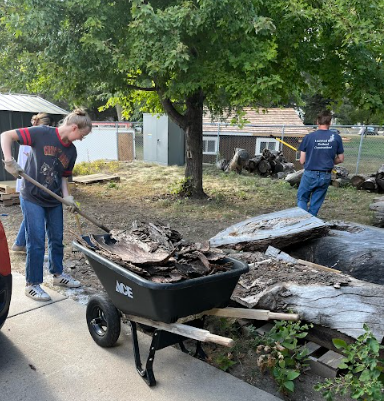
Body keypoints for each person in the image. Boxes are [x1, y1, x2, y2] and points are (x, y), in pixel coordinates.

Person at [1, 108, 92, 301]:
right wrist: (9, 161)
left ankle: (58, 275)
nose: (81, 139)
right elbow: (6, 135)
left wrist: (68, 198)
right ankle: (32, 284)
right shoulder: (42, 132)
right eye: (82, 135)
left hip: (53, 199)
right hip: (32, 196)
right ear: (74, 127)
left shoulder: (71, 151)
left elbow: (64, 178)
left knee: (57, 238)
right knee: (36, 241)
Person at [12, 112, 54, 253]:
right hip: (30, 185)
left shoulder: (29, 134)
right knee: (35, 216)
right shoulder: (32, 137)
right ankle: (20, 244)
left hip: (30, 183)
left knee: (32, 216)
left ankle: (19, 244)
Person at [297, 110, 344, 217]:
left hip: (309, 174)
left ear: (317, 122)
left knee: (302, 198)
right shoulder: (336, 137)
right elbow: (341, 158)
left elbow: (302, 161)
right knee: (316, 202)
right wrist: (328, 161)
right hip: (325, 175)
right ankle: (310, 222)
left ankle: (303, 220)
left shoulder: (308, 137)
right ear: (330, 123)